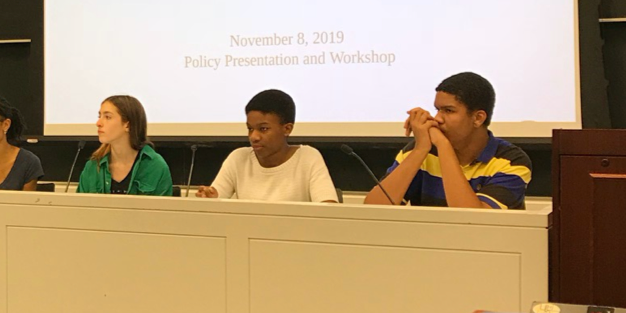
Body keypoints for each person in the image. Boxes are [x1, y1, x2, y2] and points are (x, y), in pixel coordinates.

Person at [364, 72, 531, 209]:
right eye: (437, 110)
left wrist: (444, 146)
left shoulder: (511, 161)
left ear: (478, 118)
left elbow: (473, 222)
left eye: (449, 111)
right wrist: (420, 149)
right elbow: (373, 209)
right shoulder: (421, 150)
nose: (437, 119)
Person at [196, 89, 338, 203]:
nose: (254, 137)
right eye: (250, 128)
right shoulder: (238, 158)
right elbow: (215, 202)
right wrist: (209, 199)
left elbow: (329, 210)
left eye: (263, 129)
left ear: (287, 129)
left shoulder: (308, 157)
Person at [77, 95, 173, 195]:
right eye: (99, 116)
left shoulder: (155, 166)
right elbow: (79, 208)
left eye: (107, 117)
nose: (98, 123)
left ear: (127, 125)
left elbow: (163, 209)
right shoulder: (93, 166)